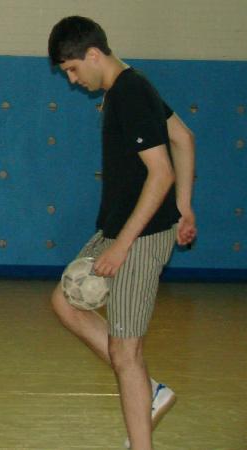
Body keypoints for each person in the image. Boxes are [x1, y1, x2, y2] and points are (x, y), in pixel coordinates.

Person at [47, 16, 197, 450]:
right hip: (120, 225)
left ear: (94, 54)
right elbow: (183, 138)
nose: (73, 80)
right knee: (65, 302)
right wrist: (185, 207)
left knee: (125, 351)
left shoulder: (130, 93)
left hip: (140, 235)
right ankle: (150, 392)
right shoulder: (130, 87)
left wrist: (123, 245)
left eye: (73, 69)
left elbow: (161, 172)